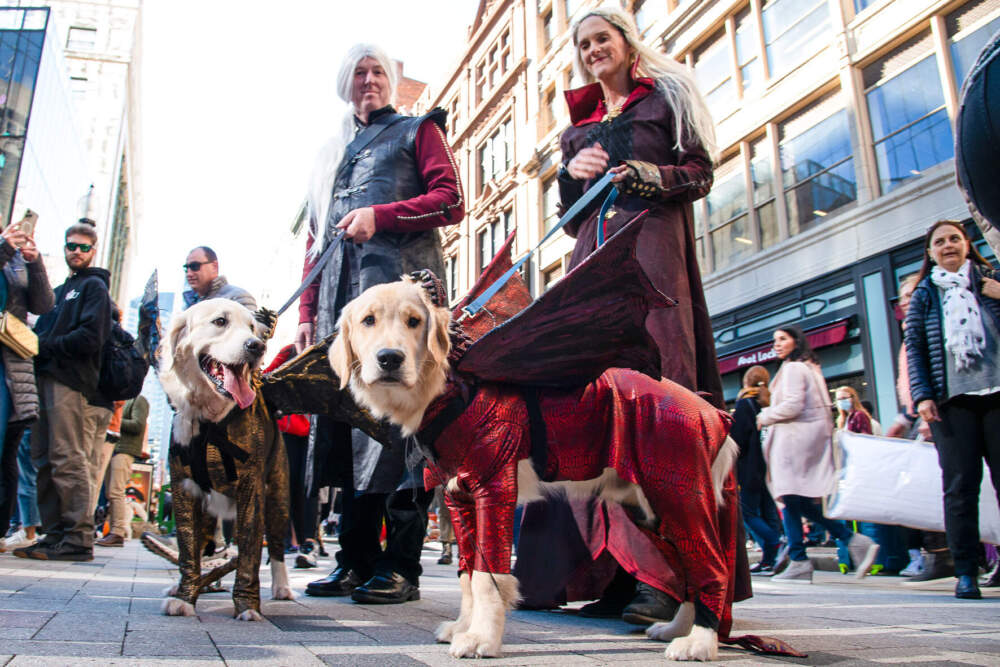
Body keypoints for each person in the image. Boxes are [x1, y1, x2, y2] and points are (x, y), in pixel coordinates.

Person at [516, 5, 734, 625]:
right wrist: (570, 175)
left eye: (600, 39)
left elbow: (699, 173)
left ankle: (665, 576)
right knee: (589, 415)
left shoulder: (668, 96)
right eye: (582, 44)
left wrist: (646, 173)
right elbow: (569, 216)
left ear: (626, 40)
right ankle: (611, 572)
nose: (590, 51)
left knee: (654, 408)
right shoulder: (575, 125)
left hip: (654, 269)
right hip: (590, 273)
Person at [298, 43, 463, 603]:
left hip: (403, 297)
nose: (369, 81)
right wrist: (305, 314)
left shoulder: (419, 131)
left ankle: (401, 568)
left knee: (403, 435)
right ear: (347, 84)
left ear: (393, 81)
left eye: (378, 73)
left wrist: (380, 215)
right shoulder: (331, 153)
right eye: (360, 73)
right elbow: (315, 240)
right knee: (346, 430)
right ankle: (355, 559)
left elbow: (451, 200)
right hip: (342, 307)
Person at [904, 219, 1000, 600]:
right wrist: (922, 395)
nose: (947, 245)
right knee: (960, 489)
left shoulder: (991, 281)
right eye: (939, 241)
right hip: (951, 404)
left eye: (954, 239)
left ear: (967, 244)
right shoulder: (925, 294)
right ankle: (966, 572)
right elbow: (915, 347)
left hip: (997, 396)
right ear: (930, 252)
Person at [14, 219, 113, 561]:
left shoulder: (95, 288)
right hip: (43, 380)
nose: (76, 251)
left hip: (70, 382)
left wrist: (44, 346)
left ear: (93, 250)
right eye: (71, 245)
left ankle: (78, 538)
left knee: (67, 458)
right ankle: (54, 533)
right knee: (42, 458)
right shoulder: (57, 293)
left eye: (83, 247)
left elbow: (91, 338)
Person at [757, 326, 879, 583]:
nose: (776, 344)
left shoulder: (793, 369)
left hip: (793, 442)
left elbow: (792, 405)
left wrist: (764, 416)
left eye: (782, 339)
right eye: (774, 340)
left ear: (795, 341)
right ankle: (852, 540)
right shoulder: (811, 368)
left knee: (790, 497)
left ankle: (800, 560)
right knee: (797, 500)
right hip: (806, 440)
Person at [0, 215, 54, 551]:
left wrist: (35, 264)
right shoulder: (5, 251)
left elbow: (44, 304)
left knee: (7, 449)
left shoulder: (18, 258)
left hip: (12, 364)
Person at [731, 365, 782, 576]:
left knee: (748, 513)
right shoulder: (768, 404)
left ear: (746, 381)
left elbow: (737, 440)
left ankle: (775, 543)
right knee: (768, 512)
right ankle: (770, 560)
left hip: (750, 469)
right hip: (770, 468)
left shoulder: (744, 405)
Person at [95, 395, 148, 547]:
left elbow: (138, 425)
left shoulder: (138, 401)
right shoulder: (118, 400)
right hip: (112, 446)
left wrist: (113, 419)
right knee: (108, 493)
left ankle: (117, 532)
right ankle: (111, 531)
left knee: (115, 491)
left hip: (125, 450)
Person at [181, 246, 256, 310]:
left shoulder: (238, 297)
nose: (189, 273)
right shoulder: (189, 303)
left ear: (214, 266)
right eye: (186, 268)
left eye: (195, 266)